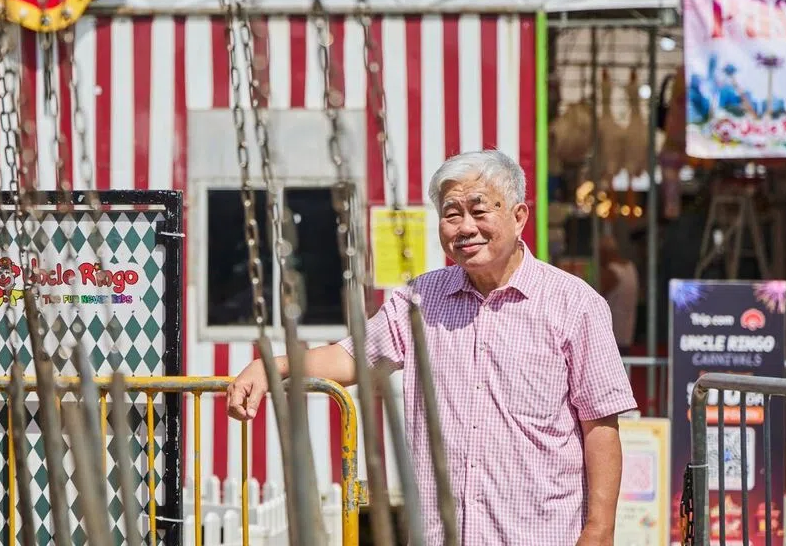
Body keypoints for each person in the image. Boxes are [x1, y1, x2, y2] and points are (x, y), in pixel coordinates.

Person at [226, 150, 637, 545]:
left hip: (538, 534)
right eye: (451, 214)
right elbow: (351, 357)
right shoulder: (421, 299)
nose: (465, 227)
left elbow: (600, 426)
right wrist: (273, 365)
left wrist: (599, 532)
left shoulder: (575, 304)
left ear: (519, 217)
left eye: (479, 211)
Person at [598, 233, 639, 357]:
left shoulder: (611, 272)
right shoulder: (631, 267)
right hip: (627, 329)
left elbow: (597, 298)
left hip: (612, 330)